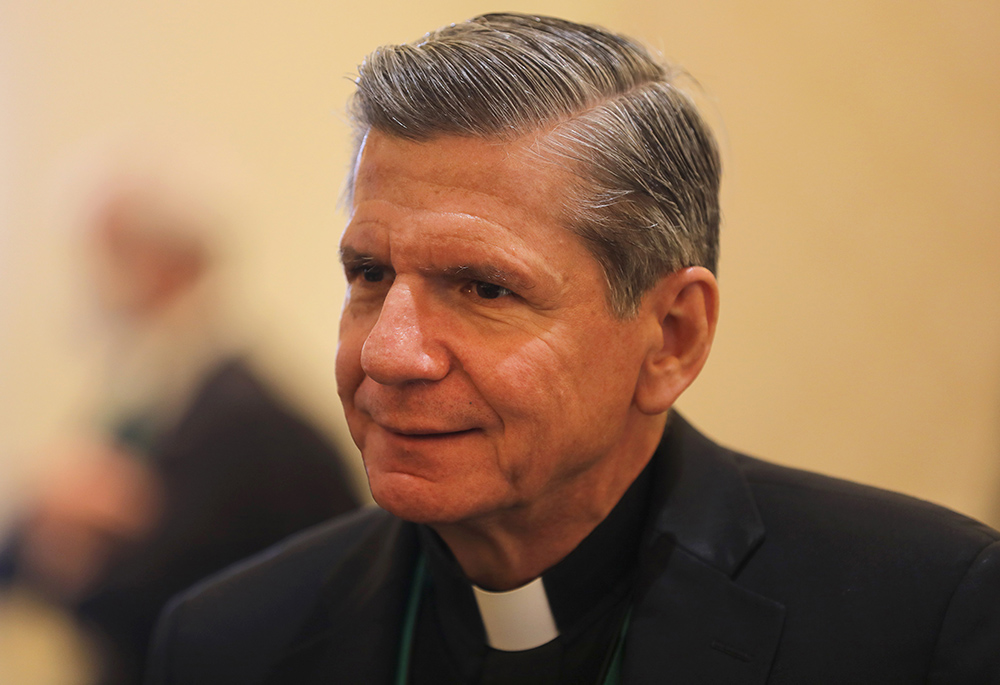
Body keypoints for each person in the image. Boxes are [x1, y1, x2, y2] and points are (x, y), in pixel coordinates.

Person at [145, 13, 1000, 684]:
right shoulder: (227, 643)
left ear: (672, 336)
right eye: (369, 273)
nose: (390, 353)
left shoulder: (921, 616)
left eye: (484, 287)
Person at [0, 164, 360, 685]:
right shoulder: (144, 392)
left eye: (112, 252)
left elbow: (154, 597)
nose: (94, 279)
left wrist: (73, 543)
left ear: (170, 261)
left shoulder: (246, 420)